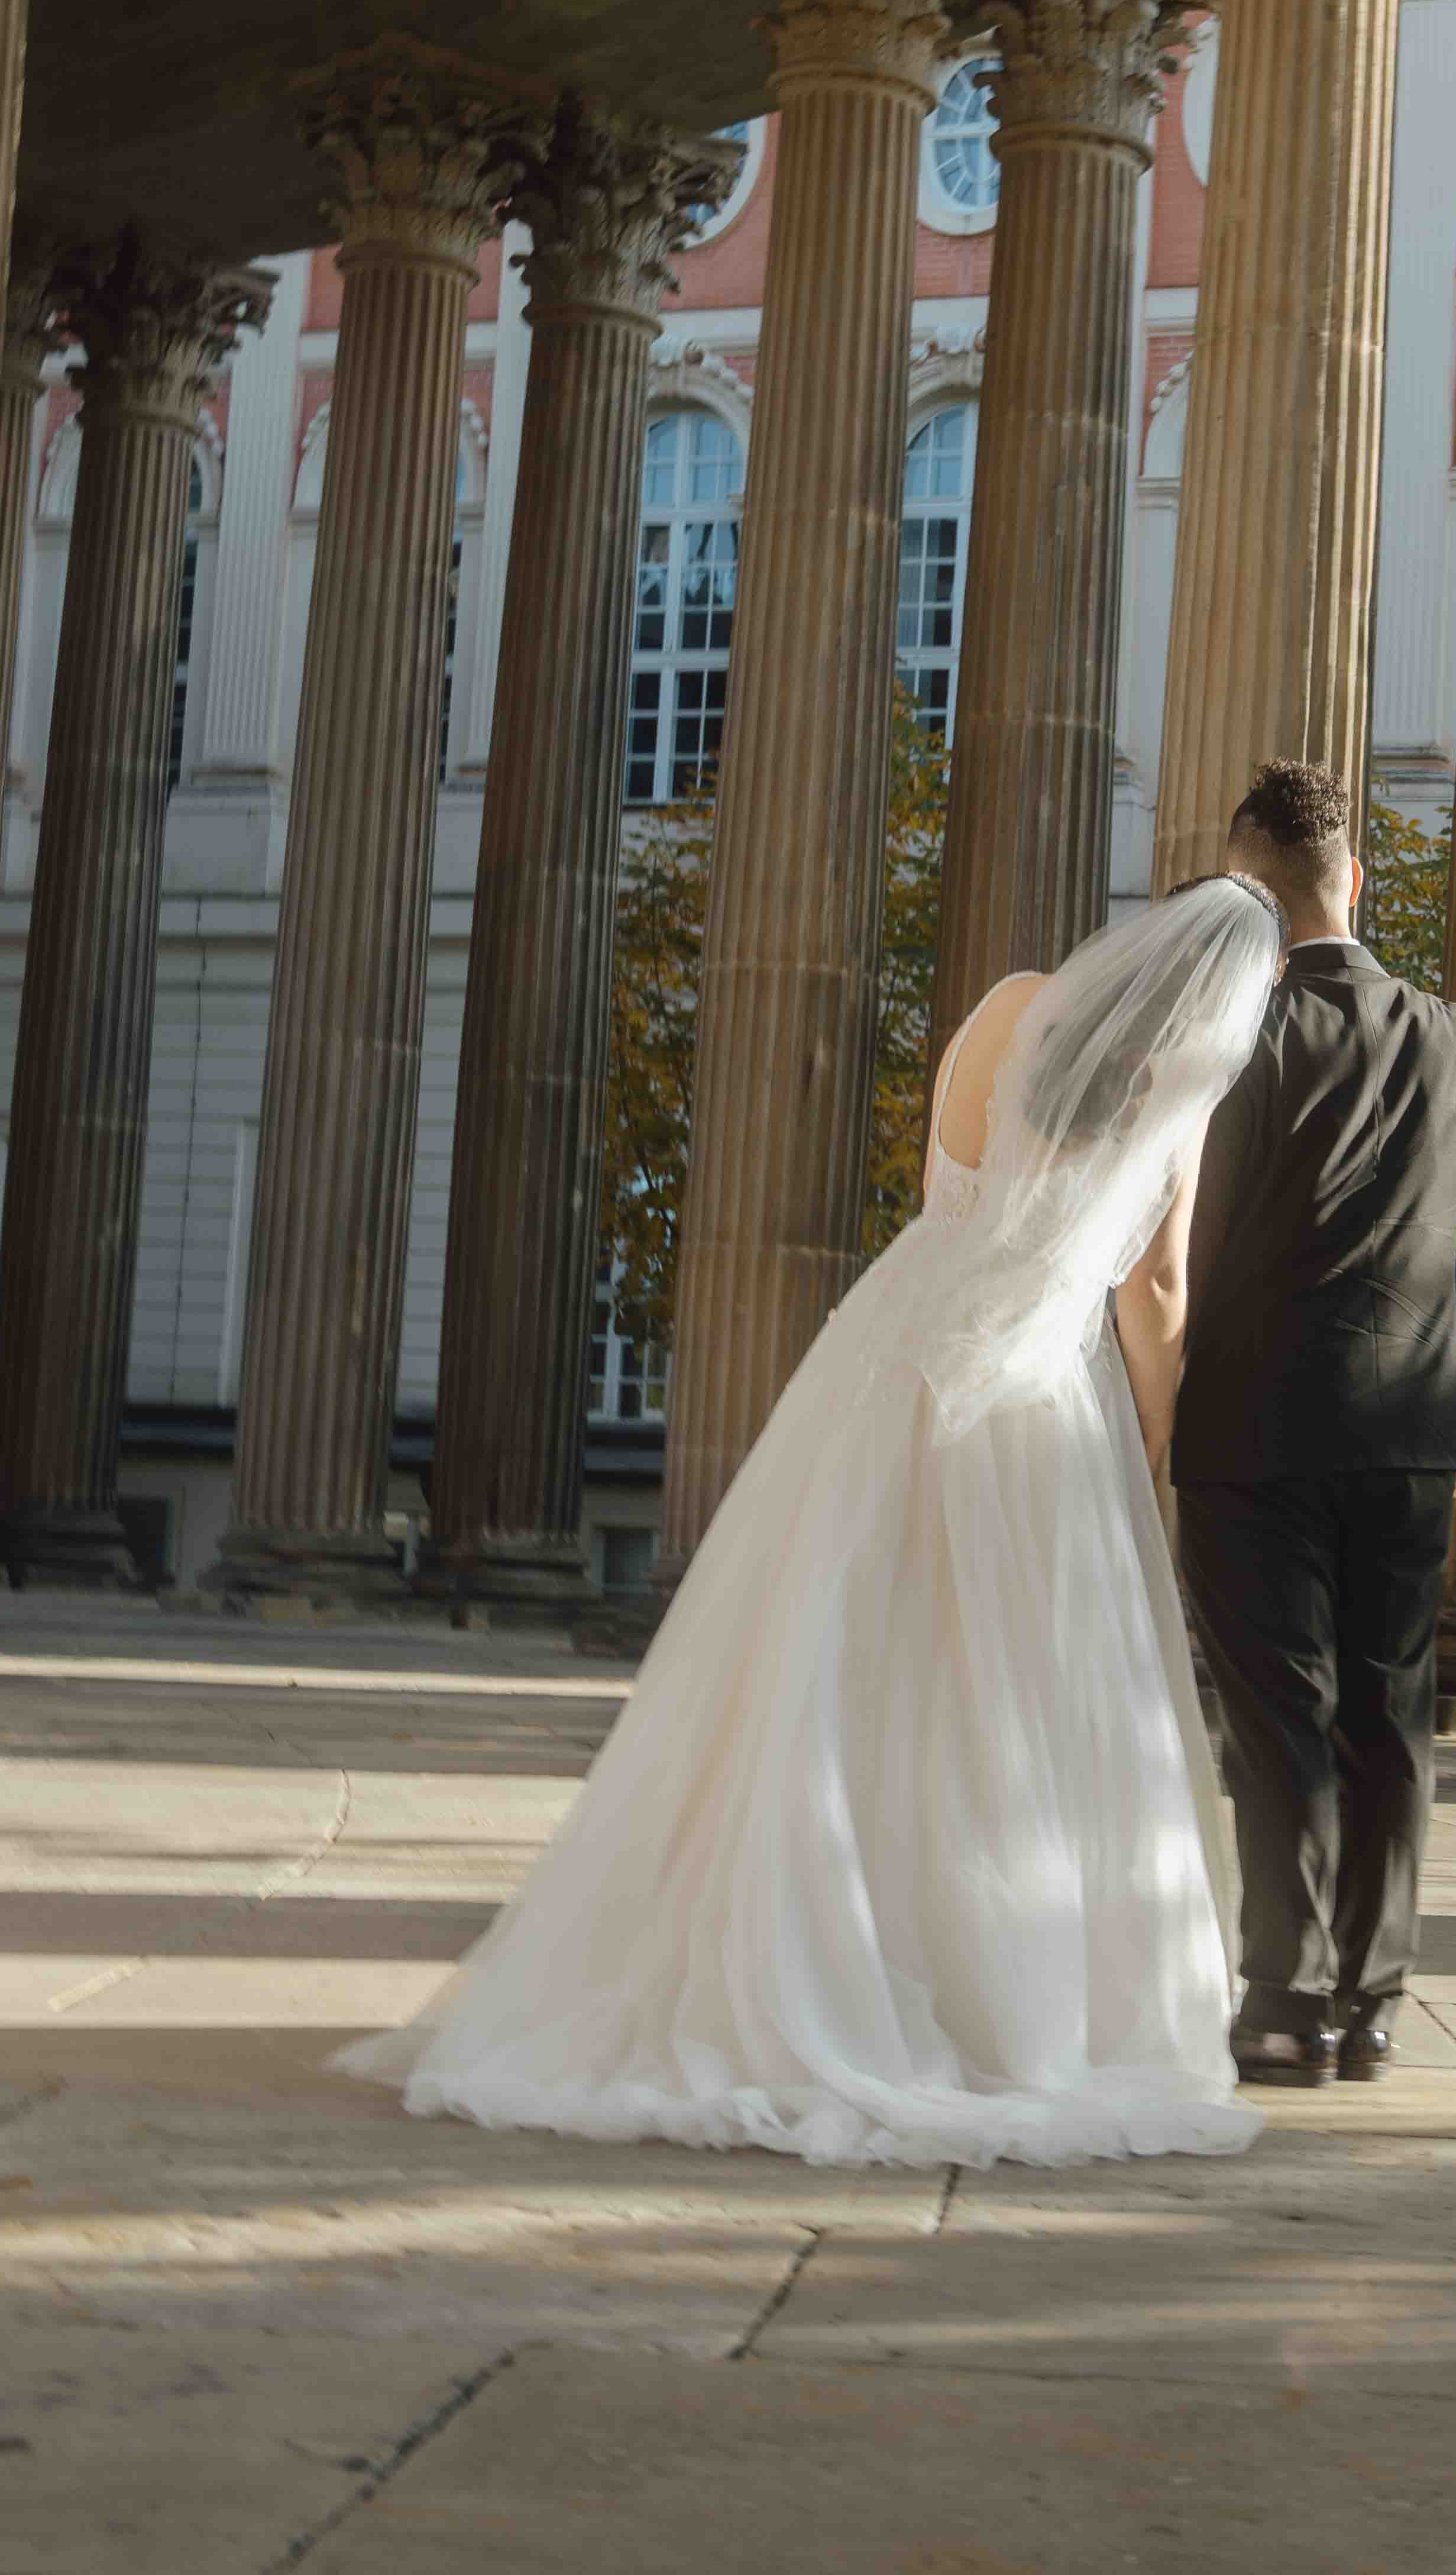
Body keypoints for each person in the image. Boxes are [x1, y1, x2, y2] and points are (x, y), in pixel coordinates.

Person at [342, 874, 1288, 2167]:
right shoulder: (1173, 1097)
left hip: (892, 1353)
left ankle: (788, 1942)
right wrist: (1160, 1446)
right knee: (997, 1702)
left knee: (832, 1663)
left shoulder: (1006, 1008)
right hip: (1032, 1406)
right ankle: (978, 1990)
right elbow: (1157, 1289)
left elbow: (951, 1188)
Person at [1167, 760, 1456, 2090]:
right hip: (1415, 1429)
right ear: (1354, 879)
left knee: (1279, 1723)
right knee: (1390, 1718)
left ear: (1243, 896)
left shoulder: (1230, 1038)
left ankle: (1280, 2003)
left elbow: (1187, 1243)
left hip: (1251, 1426)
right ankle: (1372, 2008)